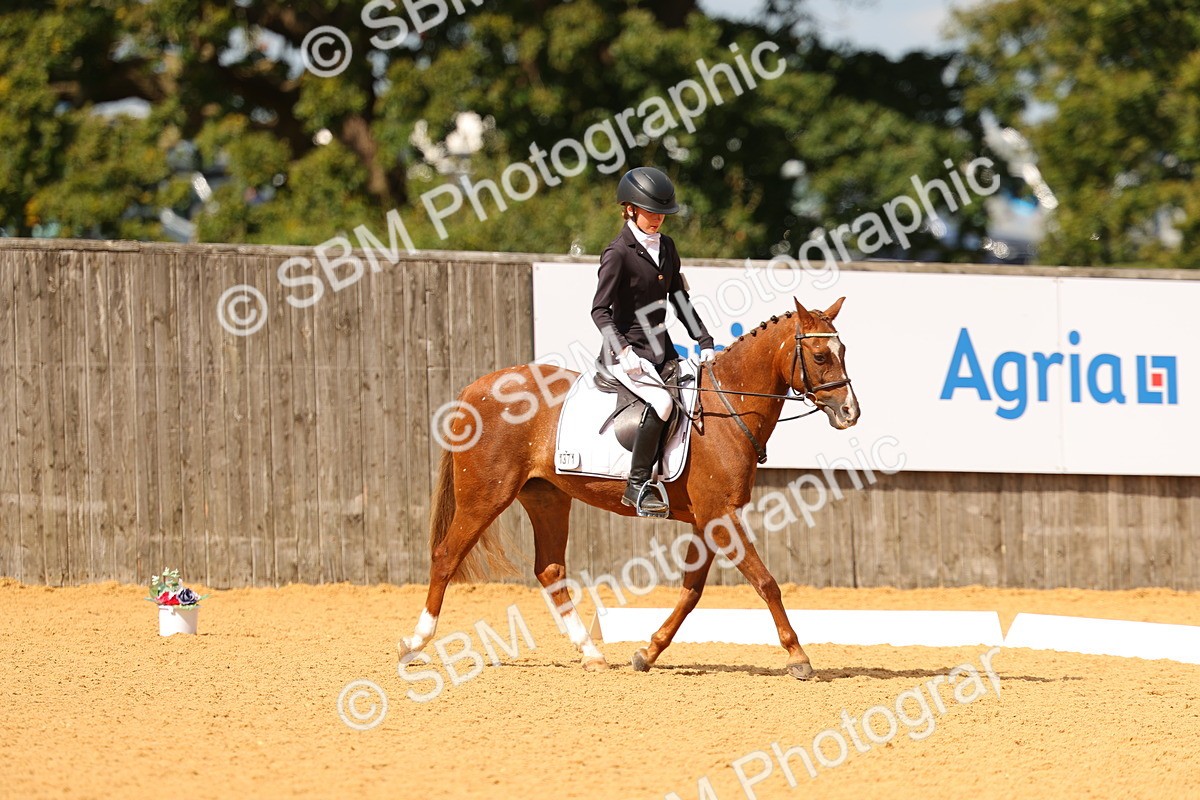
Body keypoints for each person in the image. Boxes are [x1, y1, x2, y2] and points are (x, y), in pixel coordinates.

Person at [591, 166, 716, 517]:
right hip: (626, 352)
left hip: (662, 350)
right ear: (630, 209)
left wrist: (704, 340)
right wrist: (623, 350)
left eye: (663, 213)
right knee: (662, 403)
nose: (658, 218)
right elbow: (599, 311)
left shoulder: (667, 247)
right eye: (651, 212)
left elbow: (679, 300)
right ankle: (637, 486)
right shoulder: (618, 253)